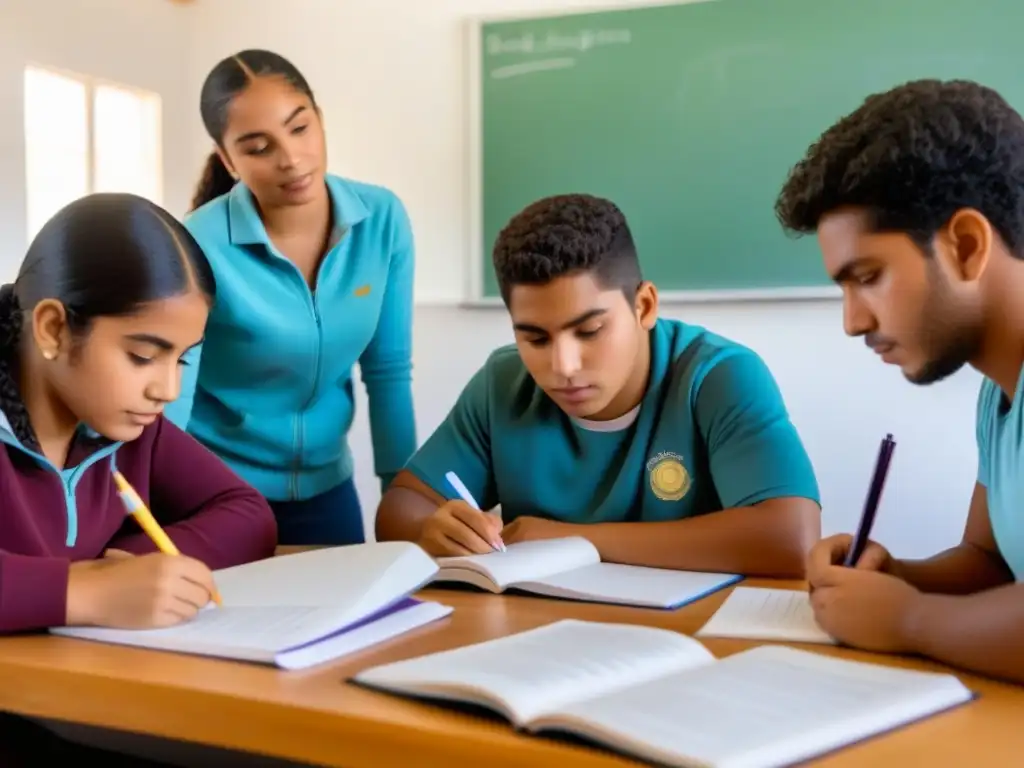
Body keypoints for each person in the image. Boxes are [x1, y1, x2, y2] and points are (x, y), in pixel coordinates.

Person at [376, 193, 821, 576]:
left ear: (644, 306)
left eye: (589, 331)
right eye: (534, 337)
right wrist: (430, 529)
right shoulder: (502, 383)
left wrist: (571, 541)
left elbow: (790, 537)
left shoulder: (720, 377)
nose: (563, 366)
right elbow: (401, 507)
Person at [0, 192, 278, 765]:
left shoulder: (125, 422)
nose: (167, 390)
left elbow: (247, 513)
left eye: (181, 358)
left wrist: (129, 565)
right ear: (53, 328)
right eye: (143, 355)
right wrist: (85, 590)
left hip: (80, 709)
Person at [775, 78, 1024, 684]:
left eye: (868, 276)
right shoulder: (999, 392)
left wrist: (911, 620)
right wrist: (892, 579)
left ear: (966, 246)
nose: (853, 321)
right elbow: (989, 563)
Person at [165, 49, 417, 546]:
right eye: (258, 147)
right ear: (228, 161)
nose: (291, 158)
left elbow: (387, 371)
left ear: (320, 120)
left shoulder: (382, 219)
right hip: (215, 492)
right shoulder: (195, 243)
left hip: (328, 491)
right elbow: (174, 394)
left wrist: (405, 501)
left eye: (300, 129)